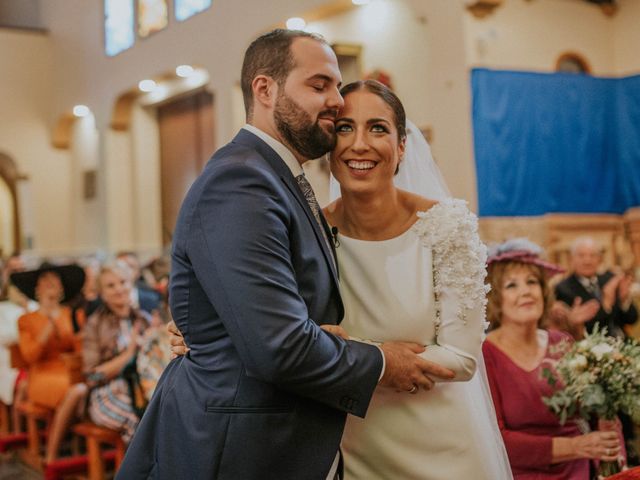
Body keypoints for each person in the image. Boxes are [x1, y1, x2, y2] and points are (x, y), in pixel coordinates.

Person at [118, 29, 447, 480]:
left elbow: (269, 313)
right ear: (265, 89)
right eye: (319, 84)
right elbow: (280, 346)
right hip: (238, 451)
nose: (336, 99)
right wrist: (384, 361)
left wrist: (220, 330)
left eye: (335, 84)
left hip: (291, 439)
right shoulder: (241, 183)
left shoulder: (278, 176)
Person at [483, 239, 623, 479]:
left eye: (532, 282)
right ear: (496, 297)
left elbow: (596, 407)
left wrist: (611, 452)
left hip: (581, 470)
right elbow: (495, 440)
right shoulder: (485, 353)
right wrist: (575, 447)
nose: (526, 291)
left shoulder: (562, 342)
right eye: (511, 285)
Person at [11, 263, 88, 464]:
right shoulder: (26, 319)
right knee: (72, 390)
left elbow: (81, 350)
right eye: (45, 282)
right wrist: (48, 325)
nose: (50, 285)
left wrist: (75, 333)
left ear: (62, 288)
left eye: (54, 282)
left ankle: (75, 447)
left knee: (83, 386)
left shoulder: (73, 314)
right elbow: (29, 357)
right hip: (41, 373)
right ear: (37, 289)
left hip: (71, 369)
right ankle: (52, 455)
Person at [83, 263, 150, 444]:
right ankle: (141, 472)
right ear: (102, 293)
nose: (119, 289)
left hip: (141, 390)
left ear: (131, 284)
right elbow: (92, 376)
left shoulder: (143, 319)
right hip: (106, 394)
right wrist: (128, 354)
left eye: (123, 282)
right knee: (142, 422)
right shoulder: (95, 323)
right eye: (111, 286)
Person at [555, 236, 637, 340]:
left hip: (623, 345)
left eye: (592, 255)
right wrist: (606, 305)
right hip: (589, 348)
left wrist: (624, 300)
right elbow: (582, 329)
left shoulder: (609, 279)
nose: (587, 261)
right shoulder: (563, 289)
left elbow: (632, 319)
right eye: (581, 256)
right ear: (572, 259)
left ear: (599, 259)